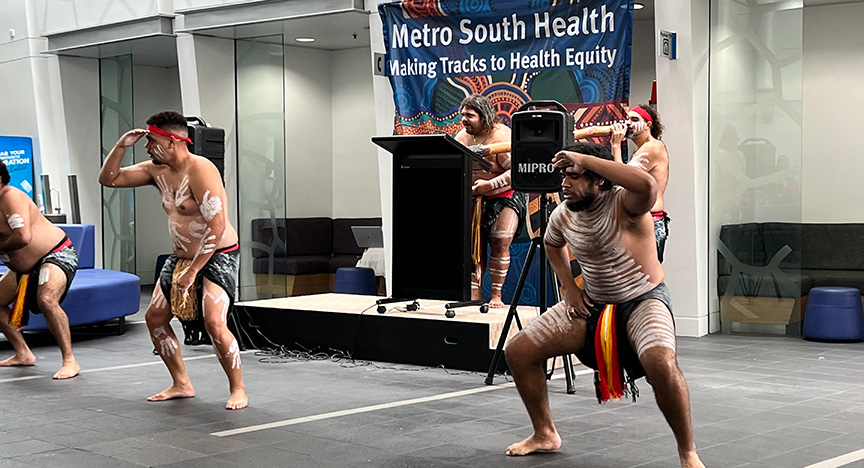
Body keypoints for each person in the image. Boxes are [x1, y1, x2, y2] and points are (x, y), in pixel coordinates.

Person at [503, 143, 703, 468]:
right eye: (563, 176)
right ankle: (544, 433)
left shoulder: (626, 203)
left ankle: (687, 451)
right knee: (519, 351)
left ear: (600, 181)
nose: (565, 183)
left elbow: (648, 185)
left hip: (642, 300)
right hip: (593, 305)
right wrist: (568, 287)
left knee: (662, 363)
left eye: (575, 176)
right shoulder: (563, 214)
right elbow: (552, 246)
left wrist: (584, 158)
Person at [99, 110, 247, 410]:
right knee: (154, 318)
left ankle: (238, 388)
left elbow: (217, 226)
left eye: (151, 140)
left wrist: (193, 271)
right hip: (181, 257)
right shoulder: (157, 171)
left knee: (214, 322)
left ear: (172, 141)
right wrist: (121, 146)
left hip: (217, 253)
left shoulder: (201, 169)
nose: (147, 146)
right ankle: (181, 382)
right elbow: (108, 179)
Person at [0, 160, 80, 379]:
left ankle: (69, 360)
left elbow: (22, 236)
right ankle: (23, 353)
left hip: (55, 255)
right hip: (21, 268)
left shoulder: (10, 196)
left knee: (46, 299)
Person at [454, 94, 526, 308]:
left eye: (470, 115)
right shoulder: (462, 137)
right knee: (471, 248)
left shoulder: (501, 137)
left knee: (499, 241)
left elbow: (518, 171)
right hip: (474, 198)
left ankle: (496, 295)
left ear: (484, 117)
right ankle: (473, 296)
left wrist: (489, 186)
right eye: (462, 115)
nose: (464, 120)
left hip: (505, 195)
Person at [610, 104, 670, 262]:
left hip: (649, 222)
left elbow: (622, 180)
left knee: (643, 281)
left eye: (635, 119)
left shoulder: (653, 147)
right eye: (627, 119)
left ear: (648, 125)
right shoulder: (642, 148)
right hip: (641, 221)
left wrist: (616, 146)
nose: (628, 123)